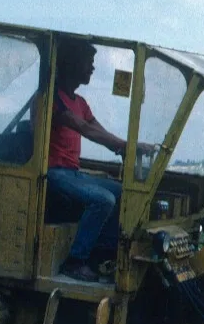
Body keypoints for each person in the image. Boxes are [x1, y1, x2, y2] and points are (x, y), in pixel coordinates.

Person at [48, 38, 154, 282]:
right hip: (54, 172)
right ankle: (75, 262)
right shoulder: (54, 99)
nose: (93, 68)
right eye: (89, 62)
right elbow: (84, 128)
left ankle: (101, 255)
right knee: (103, 199)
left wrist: (127, 147)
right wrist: (125, 147)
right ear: (72, 63)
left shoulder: (80, 102)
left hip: (72, 172)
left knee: (121, 191)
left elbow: (98, 130)